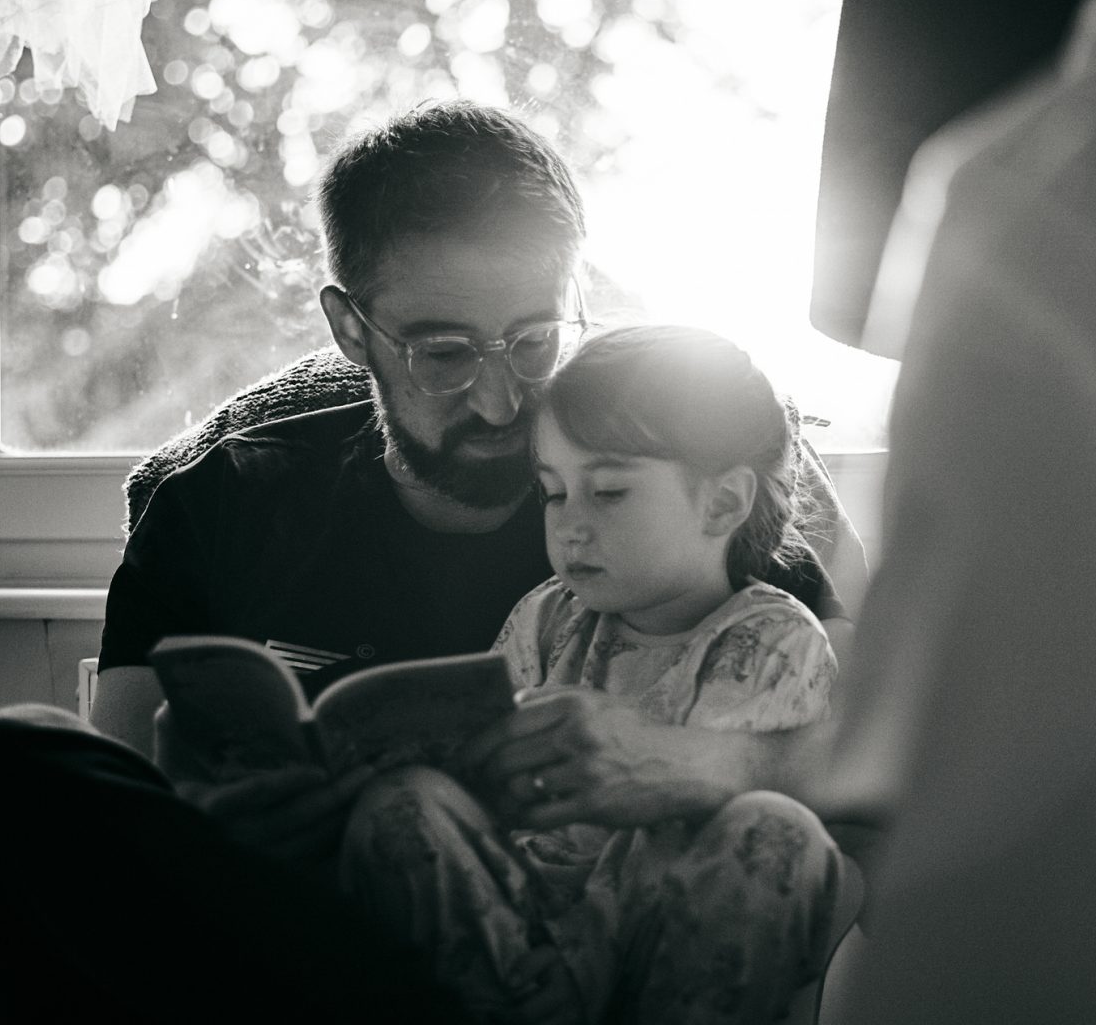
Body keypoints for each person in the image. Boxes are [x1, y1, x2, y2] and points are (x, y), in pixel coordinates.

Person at [0, 100, 863, 1019]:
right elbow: (125, 803)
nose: (502, 403)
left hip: (548, 952)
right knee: (0, 763)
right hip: (291, 951)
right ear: (351, 330)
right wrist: (216, 818)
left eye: (534, 342)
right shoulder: (224, 501)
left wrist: (692, 760)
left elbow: (895, 749)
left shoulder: (676, 480)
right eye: (445, 354)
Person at [330, 325, 842, 1024]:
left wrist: (575, 980)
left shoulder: (773, 642)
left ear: (721, 503)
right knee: (402, 805)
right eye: (552, 492)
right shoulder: (547, 615)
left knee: (771, 830)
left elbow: (669, 840)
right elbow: (483, 776)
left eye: (607, 493)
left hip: (657, 943)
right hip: (520, 940)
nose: (569, 525)